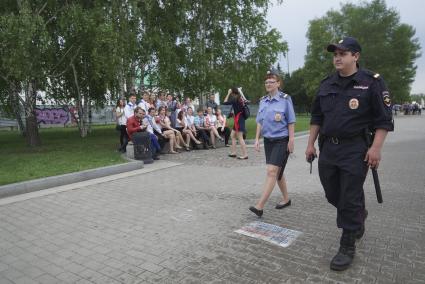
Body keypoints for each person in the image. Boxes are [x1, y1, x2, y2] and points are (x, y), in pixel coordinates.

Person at [305, 37, 394, 271]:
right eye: (335, 53)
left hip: (356, 149)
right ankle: (358, 214)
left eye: (343, 53)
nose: (337, 57)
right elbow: (317, 118)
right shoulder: (326, 84)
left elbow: (384, 119)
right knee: (333, 193)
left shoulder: (372, 83)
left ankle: (347, 244)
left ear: (356, 56)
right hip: (328, 148)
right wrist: (310, 144)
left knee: (350, 194)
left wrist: (375, 148)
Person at [250, 69, 296, 218]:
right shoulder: (263, 100)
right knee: (278, 173)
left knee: (271, 171)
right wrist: (257, 139)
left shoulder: (285, 99)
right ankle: (286, 199)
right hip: (268, 141)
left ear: (278, 83)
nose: (268, 84)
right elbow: (259, 121)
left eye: (271, 81)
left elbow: (291, 121)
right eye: (266, 82)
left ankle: (260, 206)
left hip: (281, 140)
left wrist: (291, 140)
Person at [223, 87, 248, 159]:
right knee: (233, 135)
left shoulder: (235, 99)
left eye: (231, 93)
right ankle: (234, 152)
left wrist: (228, 93)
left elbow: (224, 102)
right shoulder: (240, 98)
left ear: (233, 93)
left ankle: (245, 154)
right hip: (239, 119)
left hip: (239, 120)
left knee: (240, 137)